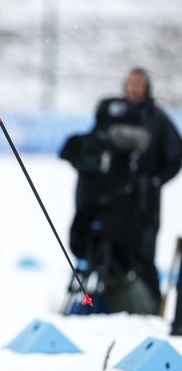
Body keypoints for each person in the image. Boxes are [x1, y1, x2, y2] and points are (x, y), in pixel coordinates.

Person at [61, 67, 182, 314]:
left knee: (143, 253)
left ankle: (149, 305)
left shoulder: (157, 119)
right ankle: (104, 300)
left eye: (139, 85)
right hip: (113, 199)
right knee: (106, 248)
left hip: (144, 201)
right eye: (131, 85)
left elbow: (175, 157)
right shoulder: (113, 114)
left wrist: (154, 181)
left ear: (147, 88)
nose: (134, 90)